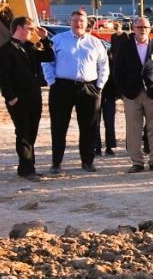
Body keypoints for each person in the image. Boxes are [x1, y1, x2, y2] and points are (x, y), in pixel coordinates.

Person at [43, 10, 111, 174]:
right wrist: (52, 82)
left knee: (89, 127)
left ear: (87, 23)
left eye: (81, 21)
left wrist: (99, 86)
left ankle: (87, 162)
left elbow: (104, 66)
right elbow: (46, 62)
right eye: (75, 21)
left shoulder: (95, 43)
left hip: (89, 88)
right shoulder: (58, 40)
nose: (78, 24)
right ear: (70, 22)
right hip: (61, 87)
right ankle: (56, 163)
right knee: (59, 126)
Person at [0, 17, 55, 180]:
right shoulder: (6, 50)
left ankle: (26, 167)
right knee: (23, 133)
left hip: (34, 97)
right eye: (30, 28)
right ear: (19, 28)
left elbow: (48, 56)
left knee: (31, 133)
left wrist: (44, 38)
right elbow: (4, 78)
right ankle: (28, 169)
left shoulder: (29, 47)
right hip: (18, 99)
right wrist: (11, 98)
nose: (32, 32)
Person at [113, 17, 153, 173]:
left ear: (150, 28)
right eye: (139, 27)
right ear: (133, 28)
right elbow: (117, 71)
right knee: (133, 129)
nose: (142, 30)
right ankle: (137, 162)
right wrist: (123, 91)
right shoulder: (125, 46)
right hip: (132, 94)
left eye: (145, 27)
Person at [95, 21, 120, 156]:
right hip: (95, 95)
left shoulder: (112, 60)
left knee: (109, 122)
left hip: (109, 96)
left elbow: (115, 78)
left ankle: (109, 147)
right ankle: (96, 147)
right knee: (96, 122)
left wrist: (117, 93)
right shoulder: (92, 61)